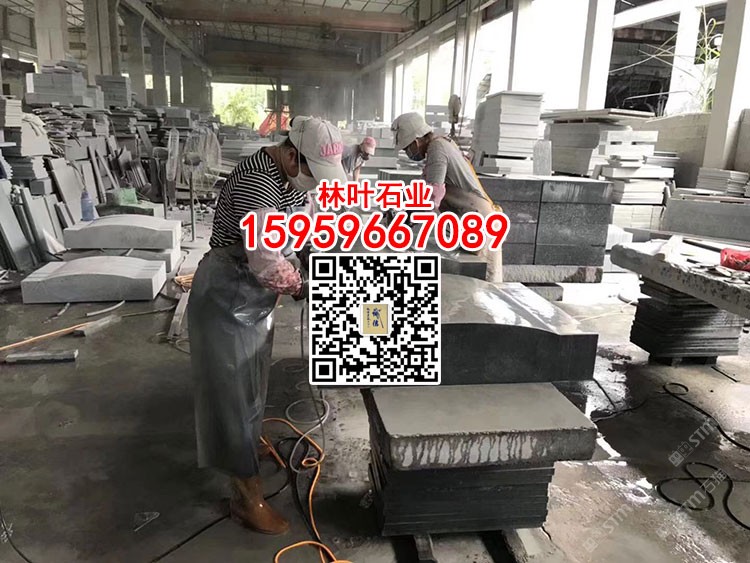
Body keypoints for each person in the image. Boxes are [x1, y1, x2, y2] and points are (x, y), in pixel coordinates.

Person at [187, 116, 347, 535]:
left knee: (253, 382)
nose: (317, 184)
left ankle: (247, 444)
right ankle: (246, 498)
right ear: (292, 155)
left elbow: (303, 224)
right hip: (228, 295)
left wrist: (320, 255)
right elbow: (266, 263)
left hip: (253, 299)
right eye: (314, 173)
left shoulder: (292, 177)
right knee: (232, 398)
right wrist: (306, 285)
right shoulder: (258, 183)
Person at [391, 111, 503, 283]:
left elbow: (432, 196)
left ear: (417, 141)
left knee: (484, 285)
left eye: (407, 148)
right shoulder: (440, 145)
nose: (407, 153)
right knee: (469, 284)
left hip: (479, 222)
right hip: (470, 220)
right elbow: (424, 190)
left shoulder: (437, 148)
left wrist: (404, 222)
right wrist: (404, 211)